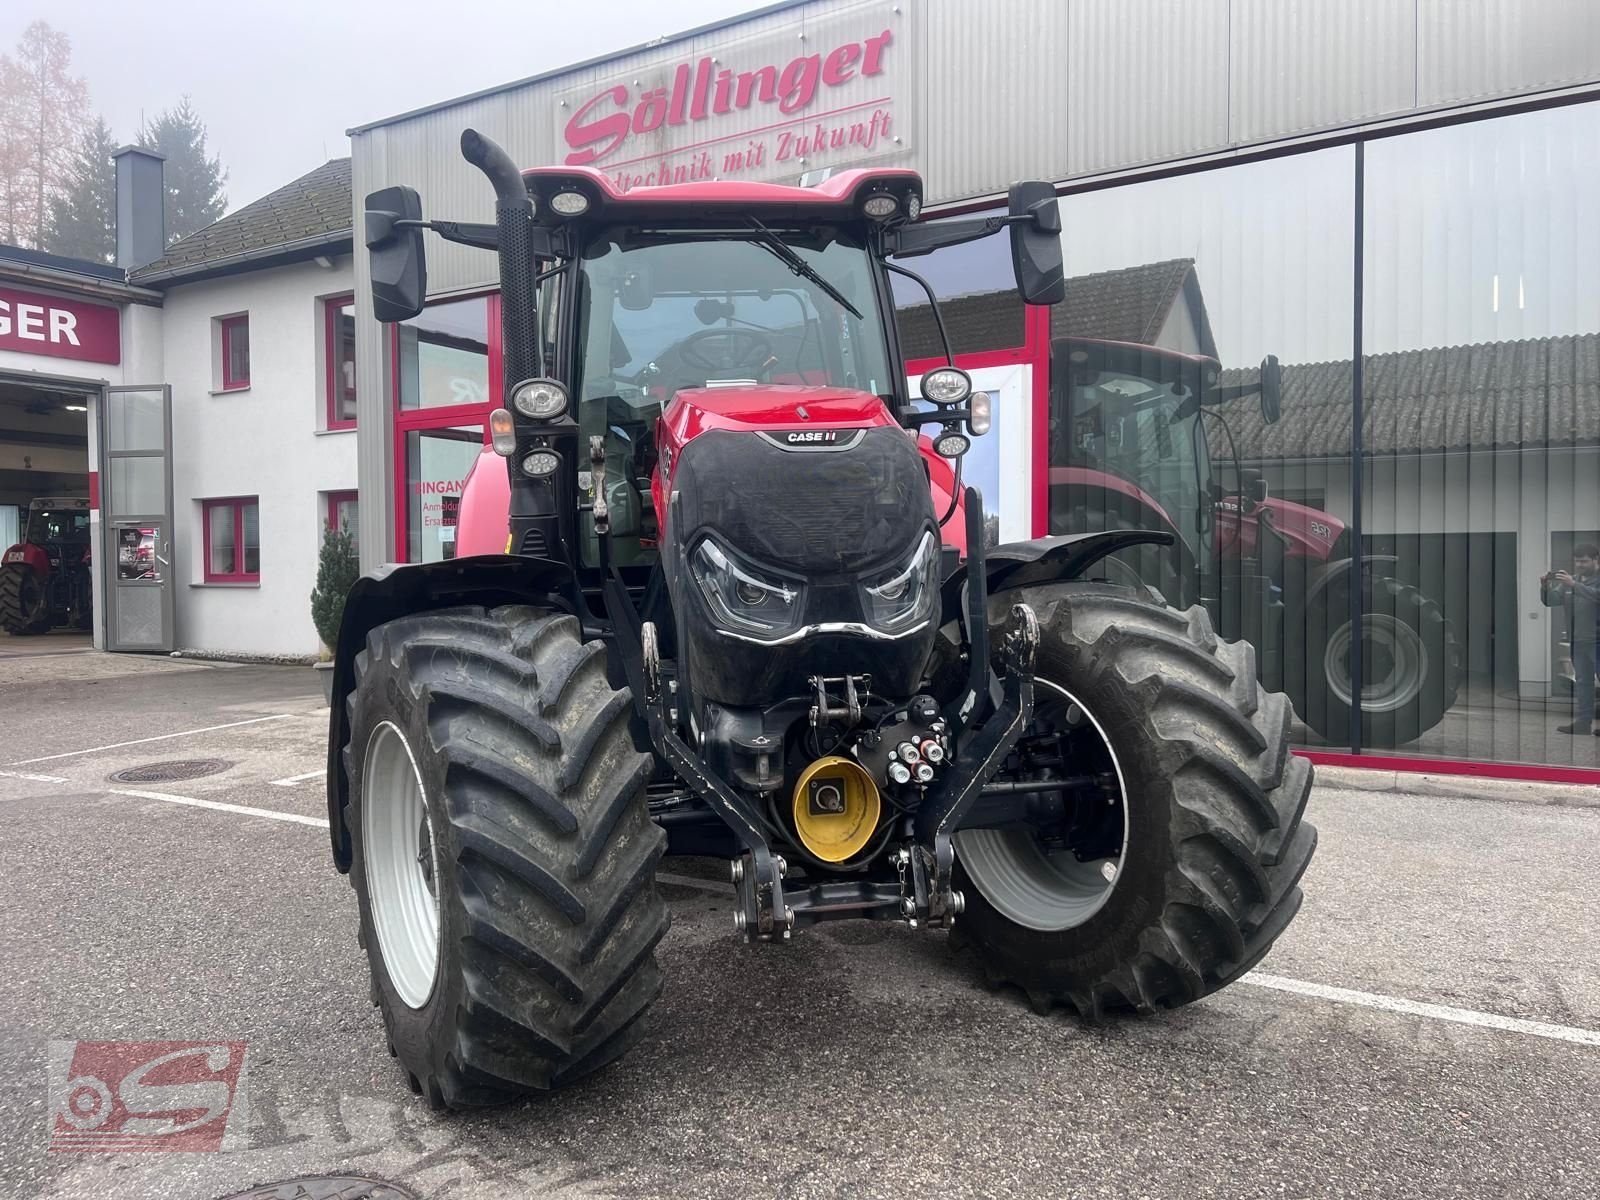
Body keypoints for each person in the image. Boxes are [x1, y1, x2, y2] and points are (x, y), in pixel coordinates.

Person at [1542, 543, 1600, 735]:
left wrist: (1574, 585)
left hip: (1597, 641)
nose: (1580, 565)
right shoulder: (1569, 581)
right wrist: (1544, 585)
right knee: (1583, 683)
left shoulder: (1577, 582)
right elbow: (1551, 601)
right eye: (1577, 561)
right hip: (1578, 642)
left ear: (1595, 560)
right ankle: (1583, 724)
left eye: (1584, 561)